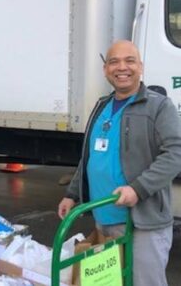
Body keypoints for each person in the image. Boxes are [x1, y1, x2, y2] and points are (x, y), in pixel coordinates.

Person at [58, 40, 181, 286]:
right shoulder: (101, 106)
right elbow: (89, 157)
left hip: (142, 224)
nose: (121, 67)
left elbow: (176, 153)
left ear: (141, 67)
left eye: (130, 61)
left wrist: (137, 189)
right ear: (105, 70)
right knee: (112, 282)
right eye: (114, 61)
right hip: (104, 219)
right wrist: (72, 194)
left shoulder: (158, 106)